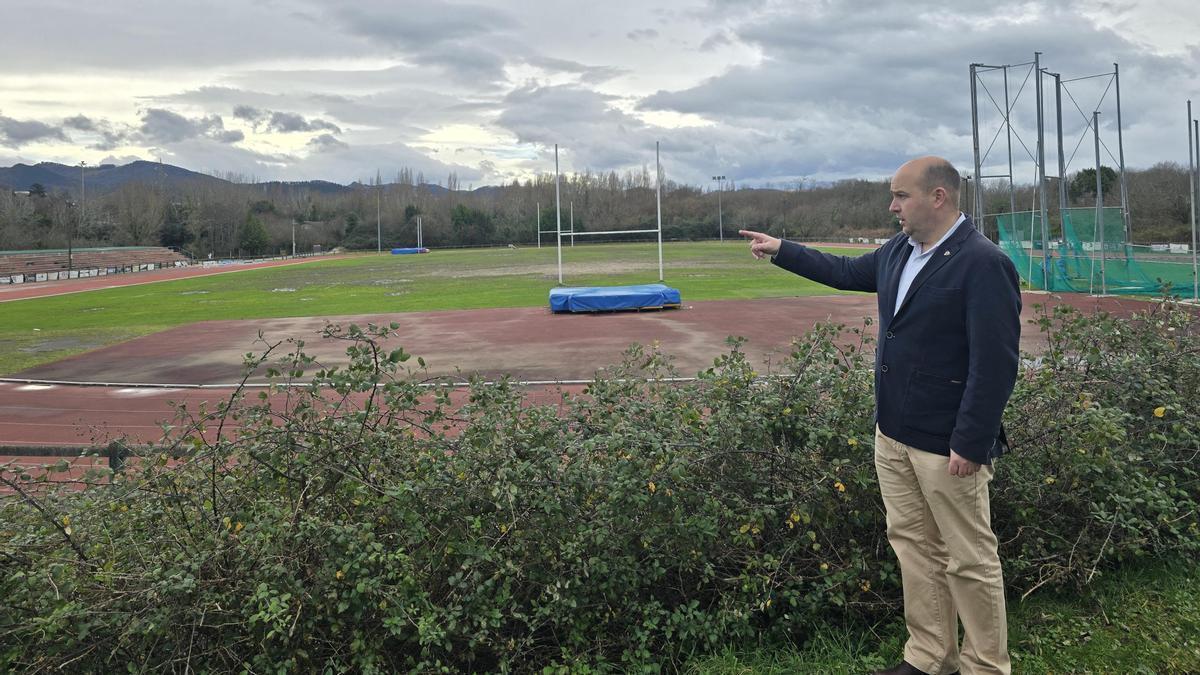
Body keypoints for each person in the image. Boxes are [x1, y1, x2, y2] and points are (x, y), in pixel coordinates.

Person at [740, 156, 1021, 675]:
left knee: (970, 559)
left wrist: (972, 440)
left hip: (948, 442)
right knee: (914, 548)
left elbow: (996, 362)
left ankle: (986, 666)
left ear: (938, 197)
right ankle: (931, 657)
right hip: (892, 433)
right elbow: (846, 272)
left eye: (901, 196)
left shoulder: (983, 263)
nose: (892, 206)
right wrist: (783, 250)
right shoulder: (899, 250)